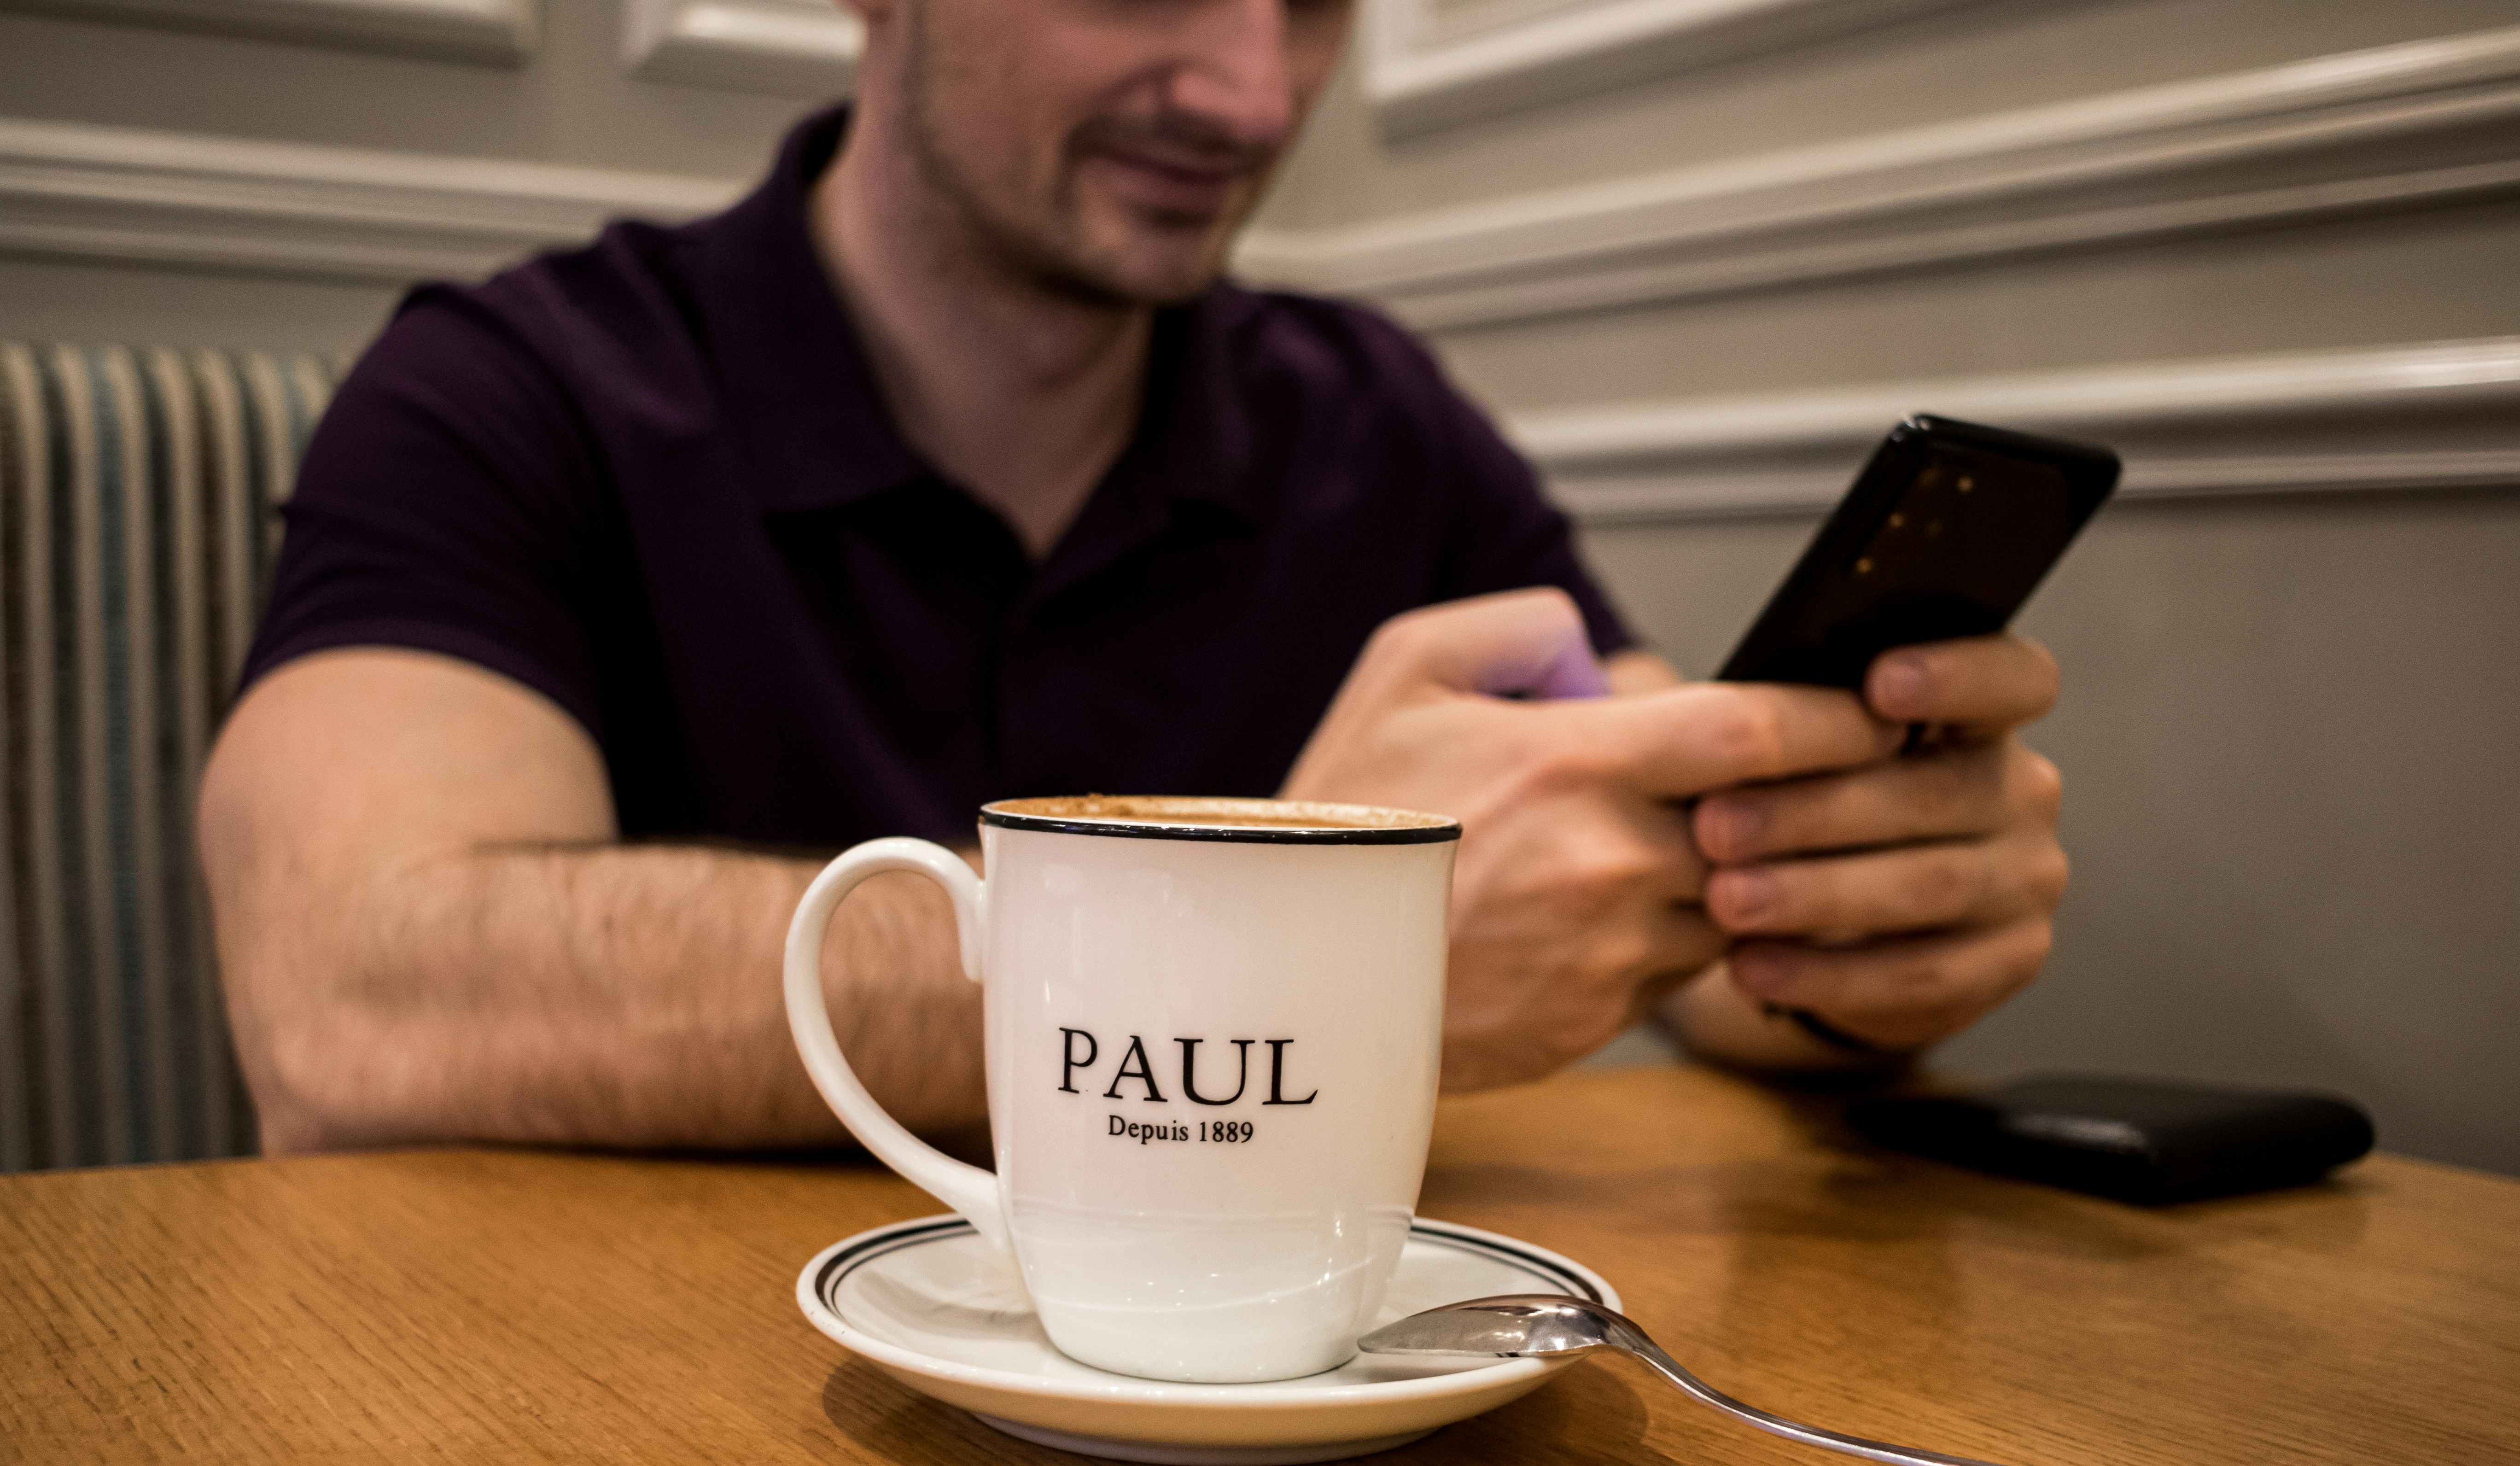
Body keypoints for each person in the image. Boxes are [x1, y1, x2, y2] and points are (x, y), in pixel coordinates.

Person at [198, 0, 2067, 1156]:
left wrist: (1849, 917)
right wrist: (1276, 951)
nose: (1254, 93)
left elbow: (1657, 876)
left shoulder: (1373, 418)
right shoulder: (513, 389)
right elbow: (356, 1001)